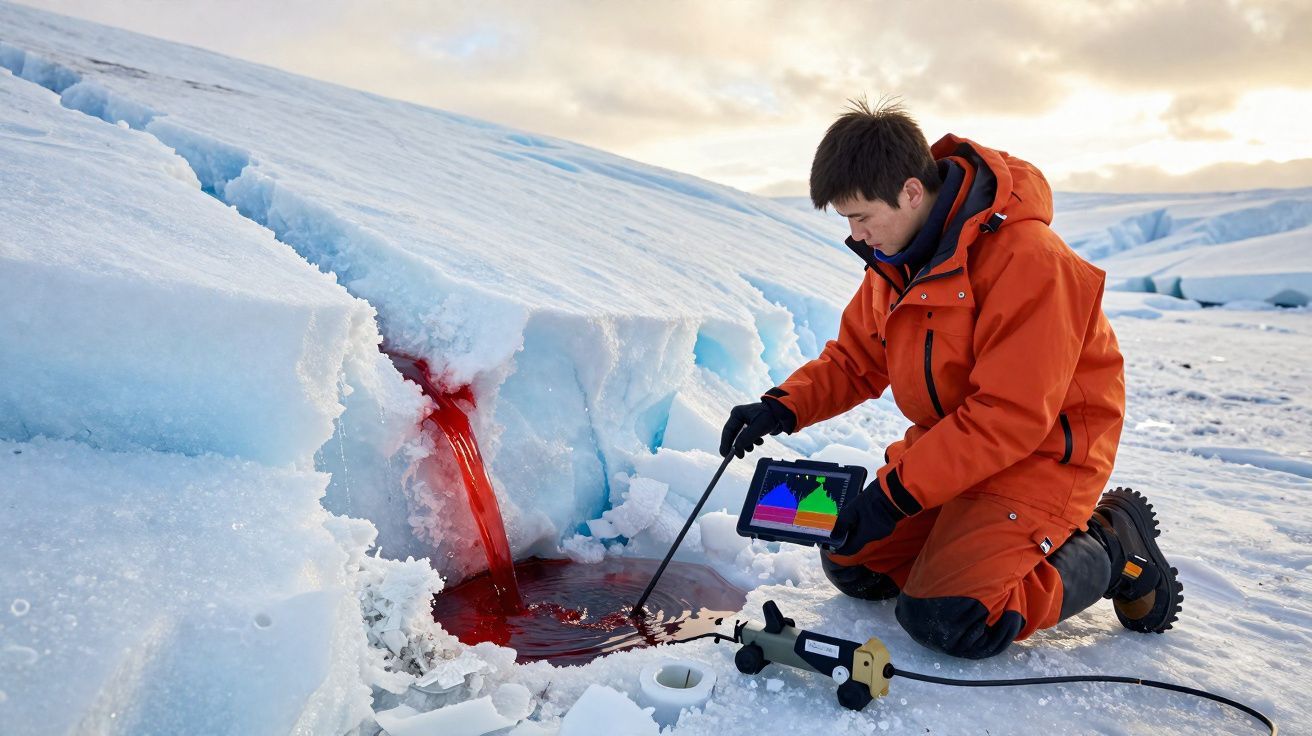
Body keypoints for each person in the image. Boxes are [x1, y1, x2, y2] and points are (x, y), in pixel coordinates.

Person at [719, 99, 1182, 659]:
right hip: (956, 450)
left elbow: (1008, 417)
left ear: (912, 191)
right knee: (854, 562)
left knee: (949, 617)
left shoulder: (1031, 261)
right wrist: (779, 408)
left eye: (862, 216)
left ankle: (1113, 544)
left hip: (1042, 455)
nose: (857, 235)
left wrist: (893, 496)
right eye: (848, 220)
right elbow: (855, 359)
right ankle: (966, 543)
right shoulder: (899, 259)